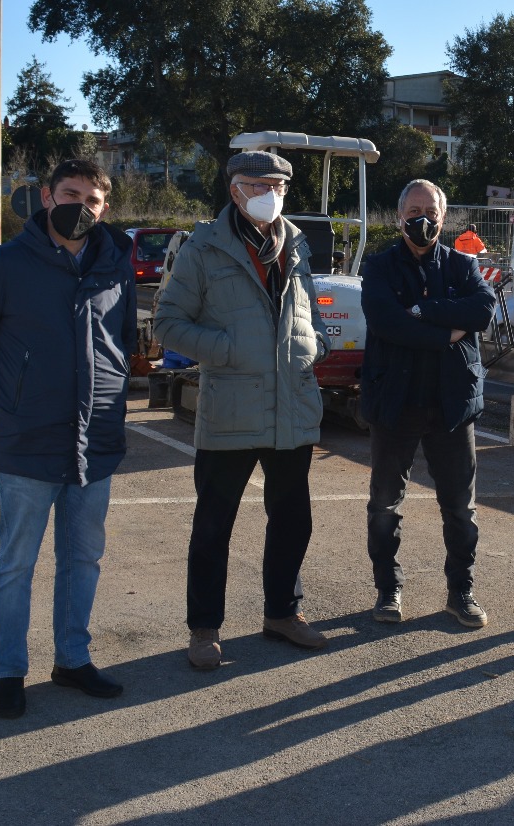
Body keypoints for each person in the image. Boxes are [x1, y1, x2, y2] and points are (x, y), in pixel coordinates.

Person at [0, 158, 136, 720]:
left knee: (82, 560)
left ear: (104, 208)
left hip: (95, 442)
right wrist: (12, 397)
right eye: (71, 194)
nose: (82, 206)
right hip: (26, 442)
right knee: (15, 565)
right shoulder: (3, 265)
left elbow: (121, 340)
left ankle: (72, 660)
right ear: (48, 197)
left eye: (94, 200)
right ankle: (8, 671)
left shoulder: (115, 262)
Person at [154, 150, 331, 671]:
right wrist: (230, 349)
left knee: (293, 520)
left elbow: (309, 312)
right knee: (213, 526)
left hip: (291, 408)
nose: (268, 193)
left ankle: (282, 613)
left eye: (276, 184)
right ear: (234, 190)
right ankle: (204, 629)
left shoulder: (295, 243)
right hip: (230, 410)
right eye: (257, 184)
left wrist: (313, 344)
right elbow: (168, 322)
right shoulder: (203, 247)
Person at [360, 179, 497, 628]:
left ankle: (462, 590)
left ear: (444, 216)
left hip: (452, 406)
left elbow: (481, 310)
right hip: (395, 404)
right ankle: (388, 590)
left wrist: (420, 311)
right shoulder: (378, 266)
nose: (423, 217)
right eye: (414, 209)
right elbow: (386, 323)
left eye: (431, 210)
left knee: (460, 507)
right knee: (385, 504)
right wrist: (445, 329)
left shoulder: (462, 264)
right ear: (400, 215)